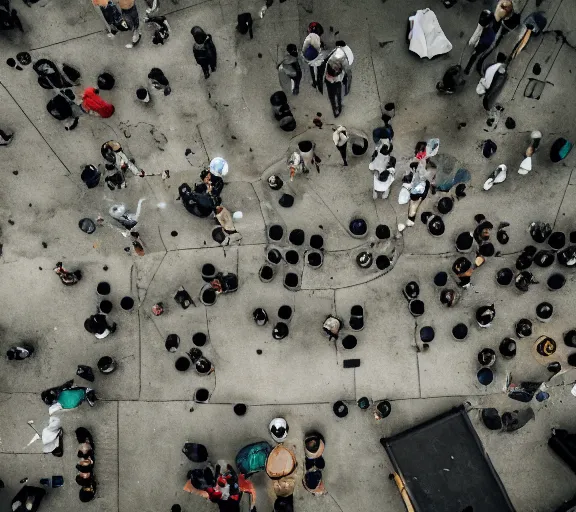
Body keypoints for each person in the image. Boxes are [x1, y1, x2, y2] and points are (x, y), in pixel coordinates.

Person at [322, 42, 353, 117]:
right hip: (337, 81)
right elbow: (349, 74)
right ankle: (339, 108)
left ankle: (335, 110)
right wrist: (348, 87)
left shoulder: (330, 54)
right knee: (338, 96)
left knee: (331, 96)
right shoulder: (343, 60)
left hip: (328, 80)